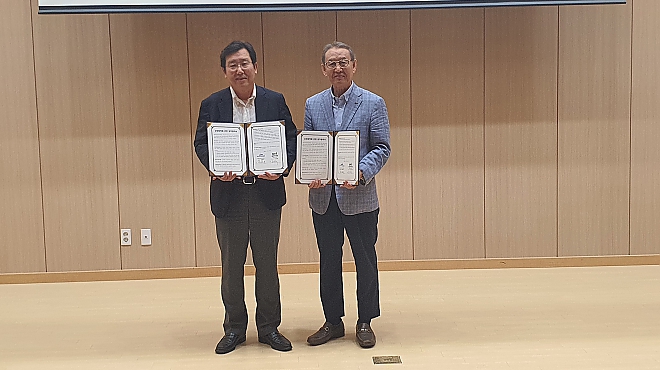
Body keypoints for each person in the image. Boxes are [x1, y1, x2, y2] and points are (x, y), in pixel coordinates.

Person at [193, 40, 297, 354]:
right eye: (232, 65)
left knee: (267, 264)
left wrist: (281, 167)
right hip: (229, 194)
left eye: (244, 63)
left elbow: (290, 138)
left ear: (254, 66)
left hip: (265, 193)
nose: (239, 70)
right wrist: (215, 167)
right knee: (231, 265)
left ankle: (269, 328)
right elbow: (201, 143)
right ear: (224, 71)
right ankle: (234, 329)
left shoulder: (273, 100)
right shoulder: (212, 104)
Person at [304, 41, 391, 348]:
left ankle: (365, 320)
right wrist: (311, 172)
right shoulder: (313, 104)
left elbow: (382, 148)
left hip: (360, 197)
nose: (338, 68)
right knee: (328, 260)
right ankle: (333, 321)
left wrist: (360, 172)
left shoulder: (373, 103)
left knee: (365, 260)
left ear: (355, 65)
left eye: (343, 62)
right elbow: (311, 148)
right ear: (324, 69)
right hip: (324, 198)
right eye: (332, 63)